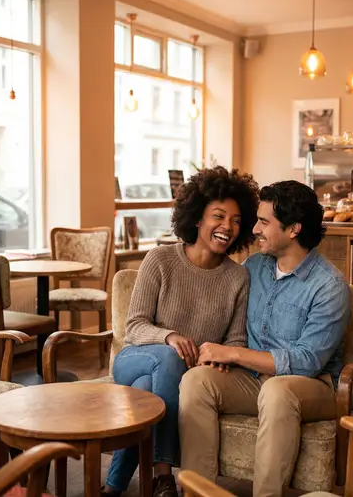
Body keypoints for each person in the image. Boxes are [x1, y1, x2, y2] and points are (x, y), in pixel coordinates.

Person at [179, 180, 351, 497]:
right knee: (197, 381)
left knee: (277, 389)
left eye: (264, 222)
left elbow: (307, 361)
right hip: (254, 380)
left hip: (313, 386)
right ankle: (198, 492)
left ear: (293, 229)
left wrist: (234, 355)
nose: (254, 229)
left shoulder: (328, 286)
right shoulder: (254, 267)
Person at [102, 166, 260, 497]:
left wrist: (218, 360)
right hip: (137, 357)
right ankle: (163, 473)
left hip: (180, 373)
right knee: (165, 359)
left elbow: (235, 340)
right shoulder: (159, 260)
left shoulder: (238, 278)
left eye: (235, 220)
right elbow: (134, 326)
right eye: (218, 216)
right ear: (197, 219)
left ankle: (112, 488)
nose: (227, 227)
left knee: (148, 391)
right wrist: (170, 337)